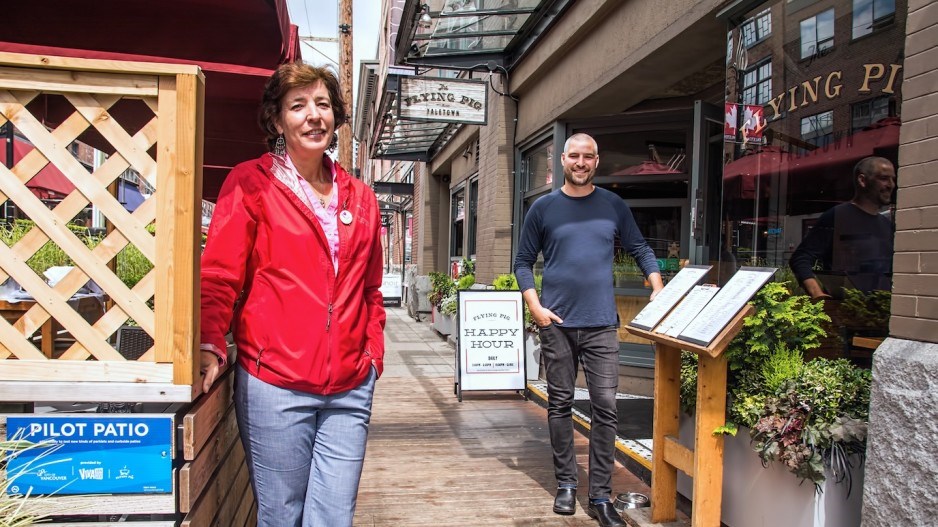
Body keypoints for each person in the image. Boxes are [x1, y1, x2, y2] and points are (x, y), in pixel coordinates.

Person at [199, 62, 386, 527]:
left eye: (323, 104)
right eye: (298, 106)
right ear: (278, 120)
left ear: (336, 117)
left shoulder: (361, 198)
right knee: (282, 516)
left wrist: (372, 355)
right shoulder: (250, 183)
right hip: (275, 383)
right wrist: (208, 342)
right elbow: (220, 275)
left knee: (333, 517)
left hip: (349, 386)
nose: (313, 116)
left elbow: (370, 288)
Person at [513, 133, 663, 527]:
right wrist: (536, 308)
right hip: (557, 324)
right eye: (574, 156)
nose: (580, 162)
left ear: (597, 161)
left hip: (600, 324)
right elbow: (523, 262)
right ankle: (566, 483)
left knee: (606, 408)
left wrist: (658, 288)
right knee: (560, 404)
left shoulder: (612, 205)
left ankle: (600, 495)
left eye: (588, 157)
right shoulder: (543, 208)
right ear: (562, 160)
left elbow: (641, 249)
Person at [790, 156, 896, 299]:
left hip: (881, 313)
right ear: (862, 180)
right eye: (883, 178)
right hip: (845, 312)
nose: (891, 185)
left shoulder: (886, 224)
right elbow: (800, 258)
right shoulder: (838, 216)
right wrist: (817, 294)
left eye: (893, 179)